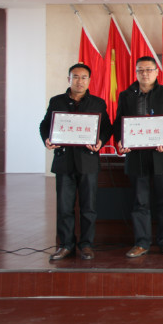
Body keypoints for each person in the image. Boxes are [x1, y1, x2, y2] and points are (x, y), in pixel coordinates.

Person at [39, 63, 112, 261]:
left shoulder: (97, 103)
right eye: (76, 77)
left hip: (88, 162)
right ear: (69, 79)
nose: (80, 81)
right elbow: (45, 124)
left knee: (89, 207)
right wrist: (47, 139)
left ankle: (86, 245)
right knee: (64, 207)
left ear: (89, 80)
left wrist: (100, 141)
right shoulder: (57, 101)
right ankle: (66, 245)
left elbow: (106, 127)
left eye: (84, 77)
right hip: (64, 161)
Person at [114, 56, 163, 258]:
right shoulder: (126, 95)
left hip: (162, 155)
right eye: (140, 70)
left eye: (149, 70)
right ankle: (142, 242)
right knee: (140, 201)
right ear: (136, 72)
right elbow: (119, 122)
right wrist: (120, 140)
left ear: (156, 72)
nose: (145, 74)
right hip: (136, 156)